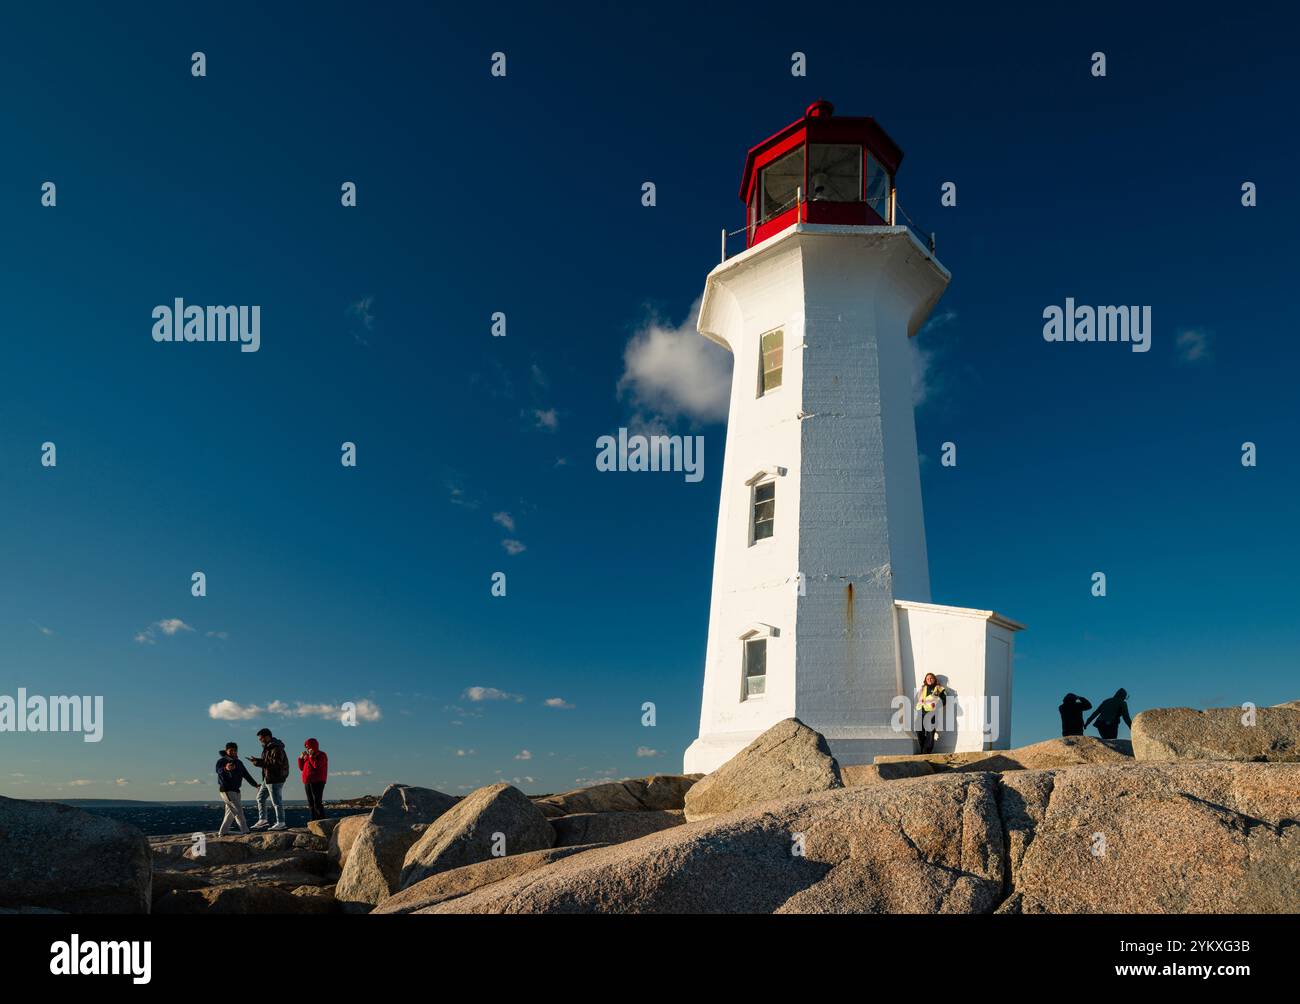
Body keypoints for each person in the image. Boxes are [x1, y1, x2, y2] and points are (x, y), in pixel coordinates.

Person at [247, 727, 290, 830]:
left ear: (267, 737)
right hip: (267, 778)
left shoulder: (276, 748)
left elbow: (276, 764)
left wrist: (258, 763)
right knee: (260, 798)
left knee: (276, 801)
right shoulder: (268, 748)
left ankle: (281, 822)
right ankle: (263, 820)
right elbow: (268, 761)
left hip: (275, 778)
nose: (260, 740)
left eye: (261, 738)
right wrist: (257, 760)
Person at [215, 742, 260, 836]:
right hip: (226, 790)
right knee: (238, 810)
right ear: (226, 750)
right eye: (231, 750)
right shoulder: (222, 761)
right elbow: (218, 771)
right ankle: (245, 831)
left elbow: (246, 775)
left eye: (235, 750)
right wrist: (226, 768)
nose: (233, 752)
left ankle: (222, 832)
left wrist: (255, 784)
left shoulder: (239, 763)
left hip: (236, 790)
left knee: (230, 813)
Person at [914, 672, 947, 755]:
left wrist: (937, 704)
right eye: (927, 678)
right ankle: (923, 750)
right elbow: (916, 699)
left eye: (931, 678)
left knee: (930, 733)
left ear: (934, 679)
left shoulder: (939, 689)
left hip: (931, 713)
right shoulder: (922, 689)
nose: (929, 679)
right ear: (925, 680)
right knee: (919, 731)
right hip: (921, 712)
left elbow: (944, 700)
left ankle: (926, 753)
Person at [298, 738, 329, 821]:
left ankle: (322, 821)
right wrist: (300, 759)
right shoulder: (307, 757)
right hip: (307, 781)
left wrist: (311, 757)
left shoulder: (321, 755)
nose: (307, 749)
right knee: (311, 803)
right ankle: (313, 821)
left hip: (317, 781)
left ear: (313, 746)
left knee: (317, 802)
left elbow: (316, 765)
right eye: (306, 748)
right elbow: (301, 768)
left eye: (308, 747)